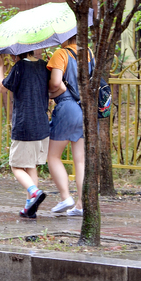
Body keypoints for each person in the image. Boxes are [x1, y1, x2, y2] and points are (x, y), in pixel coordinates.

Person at [0, 51, 56, 218]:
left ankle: (34, 192)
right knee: (31, 166)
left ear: (17, 53)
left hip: (25, 124)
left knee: (15, 165)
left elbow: (2, 88)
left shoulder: (20, 66)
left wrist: (0, 66)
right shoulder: (44, 66)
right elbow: (51, 88)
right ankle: (30, 208)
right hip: (41, 124)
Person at [46, 35, 91, 216]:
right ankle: (81, 204)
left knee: (53, 156)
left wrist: (51, 87)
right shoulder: (89, 53)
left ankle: (66, 197)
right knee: (80, 160)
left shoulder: (61, 54)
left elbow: (56, 82)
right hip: (85, 109)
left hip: (67, 108)